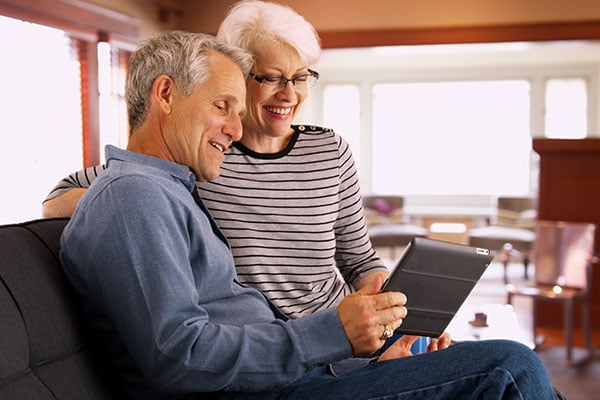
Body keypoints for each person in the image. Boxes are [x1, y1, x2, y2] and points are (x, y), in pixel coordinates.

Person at [59, 30, 560, 400]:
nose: (235, 129)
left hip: (303, 374)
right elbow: (177, 355)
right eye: (222, 106)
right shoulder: (134, 196)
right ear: (165, 95)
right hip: (270, 391)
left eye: (239, 110)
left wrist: (360, 341)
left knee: (506, 368)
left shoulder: (169, 189)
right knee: (509, 367)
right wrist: (335, 334)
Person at [42, 0, 387, 320]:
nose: (289, 93)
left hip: (346, 330)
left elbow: (359, 260)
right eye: (271, 77)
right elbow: (59, 199)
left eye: (300, 77)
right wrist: (151, 204)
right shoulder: (199, 154)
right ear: (238, 74)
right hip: (271, 343)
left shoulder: (330, 150)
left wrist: (396, 318)